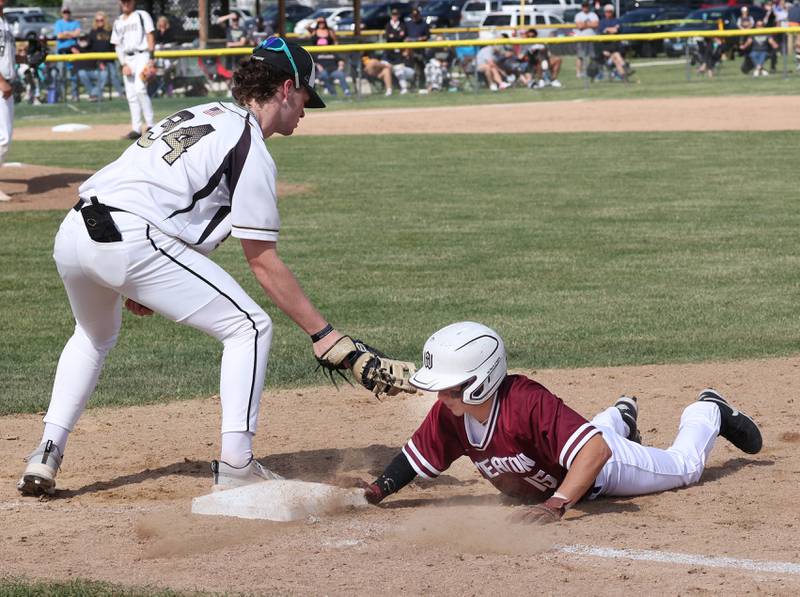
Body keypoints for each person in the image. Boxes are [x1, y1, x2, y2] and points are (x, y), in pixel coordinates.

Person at [16, 38, 415, 498]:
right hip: (131, 238)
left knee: (93, 335)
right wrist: (326, 337)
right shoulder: (250, 146)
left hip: (75, 233)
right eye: (306, 97)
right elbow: (262, 261)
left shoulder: (204, 113)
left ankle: (46, 452)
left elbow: (162, 191)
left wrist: (139, 278)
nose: (307, 109)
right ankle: (238, 464)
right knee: (250, 327)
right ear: (287, 89)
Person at [357, 322, 763, 523]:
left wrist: (556, 504)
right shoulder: (452, 415)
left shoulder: (525, 402)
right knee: (587, 432)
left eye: (450, 388)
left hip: (602, 472)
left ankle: (706, 410)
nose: (441, 398)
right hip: (580, 448)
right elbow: (413, 459)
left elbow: (596, 452)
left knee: (685, 468)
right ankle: (620, 416)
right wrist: (376, 491)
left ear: (481, 379)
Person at [112, 0, 156, 140]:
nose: (125, 3)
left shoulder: (142, 15)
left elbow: (150, 35)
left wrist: (151, 60)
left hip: (142, 55)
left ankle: (151, 125)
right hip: (127, 59)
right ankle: (136, 129)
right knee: (131, 95)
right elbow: (117, 45)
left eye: (128, 1)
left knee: (140, 89)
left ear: (133, 2)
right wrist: (123, 64)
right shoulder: (118, 21)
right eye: (123, 1)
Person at [0, 0, 21, 202]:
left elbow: (6, 56)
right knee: (3, 138)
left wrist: (25, 58)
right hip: (1, 85)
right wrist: (2, 82)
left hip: (6, 84)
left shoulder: (5, 21)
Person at [309, 17, 349, 97]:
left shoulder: (331, 50)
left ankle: (347, 93)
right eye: (320, 22)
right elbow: (307, 27)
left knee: (340, 74)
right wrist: (315, 20)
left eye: (323, 22)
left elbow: (340, 59)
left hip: (333, 69)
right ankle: (333, 93)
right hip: (323, 70)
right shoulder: (316, 52)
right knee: (323, 75)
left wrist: (340, 65)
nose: (321, 24)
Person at [89, 12, 123, 100]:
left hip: (110, 59)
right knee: (103, 76)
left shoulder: (110, 31)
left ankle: (122, 94)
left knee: (114, 76)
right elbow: (91, 47)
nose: (99, 22)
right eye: (97, 20)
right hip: (99, 60)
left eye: (101, 20)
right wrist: (98, 61)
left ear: (105, 20)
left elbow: (114, 45)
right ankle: (96, 94)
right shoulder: (93, 32)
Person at [55, 5, 81, 101]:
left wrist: (66, 33)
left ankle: (75, 95)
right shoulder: (58, 23)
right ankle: (62, 95)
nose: (66, 14)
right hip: (61, 51)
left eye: (68, 12)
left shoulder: (75, 22)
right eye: (64, 12)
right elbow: (59, 36)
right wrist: (71, 34)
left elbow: (77, 34)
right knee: (61, 74)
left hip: (72, 50)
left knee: (74, 74)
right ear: (62, 13)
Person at [597, 4, 629, 81]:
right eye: (607, 11)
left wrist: (608, 30)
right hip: (606, 47)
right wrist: (611, 29)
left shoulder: (616, 20)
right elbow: (603, 32)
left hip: (616, 46)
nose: (608, 13)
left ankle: (623, 76)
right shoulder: (602, 22)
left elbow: (618, 30)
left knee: (616, 57)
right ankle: (625, 69)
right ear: (604, 12)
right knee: (616, 56)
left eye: (610, 12)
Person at [574, 0, 598, 78]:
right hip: (582, 38)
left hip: (592, 38)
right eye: (584, 6)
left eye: (586, 6)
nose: (585, 7)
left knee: (592, 56)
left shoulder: (593, 14)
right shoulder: (578, 15)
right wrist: (590, 24)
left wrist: (584, 24)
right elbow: (579, 26)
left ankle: (590, 72)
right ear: (582, 7)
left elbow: (596, 24)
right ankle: (579, 73)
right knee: (580, 56)